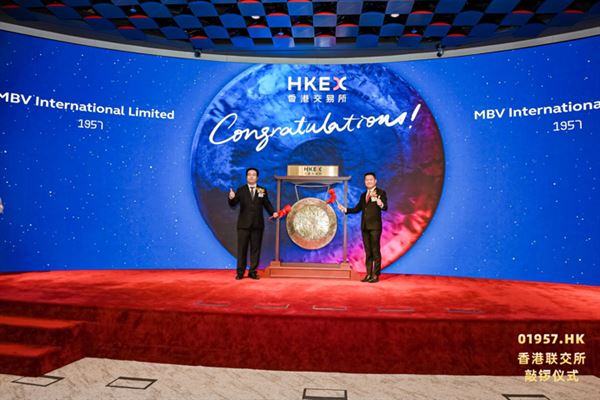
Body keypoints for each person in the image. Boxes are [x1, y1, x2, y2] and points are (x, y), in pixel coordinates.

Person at [228, 168, 278, 280]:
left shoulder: (262, 190)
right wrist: (231, 197)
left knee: (255, 249)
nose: (251, 176)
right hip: (243, 225)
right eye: (249, 175)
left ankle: (252, 272)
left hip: (257, 225)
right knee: (242, 250)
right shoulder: (241, 190)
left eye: (253, 175)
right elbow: (233, 203)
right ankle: (240, 272)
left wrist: (273, 212)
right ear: (246, 177)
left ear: (257, 177)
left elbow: (267, 203)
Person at [338, 172, 388, 283]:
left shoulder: (381, 193)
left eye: (371, 179)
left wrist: (380, 203)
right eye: (367, 180)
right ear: (365, 182)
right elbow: (357, 209)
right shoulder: (363, 195)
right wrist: (345, 210)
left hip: (375, 227)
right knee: (368, 252)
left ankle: (375, 275)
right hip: (365, 227)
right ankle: (369, 274)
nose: (369, 181)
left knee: (375, 251)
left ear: (375, 181)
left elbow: (385, 207)